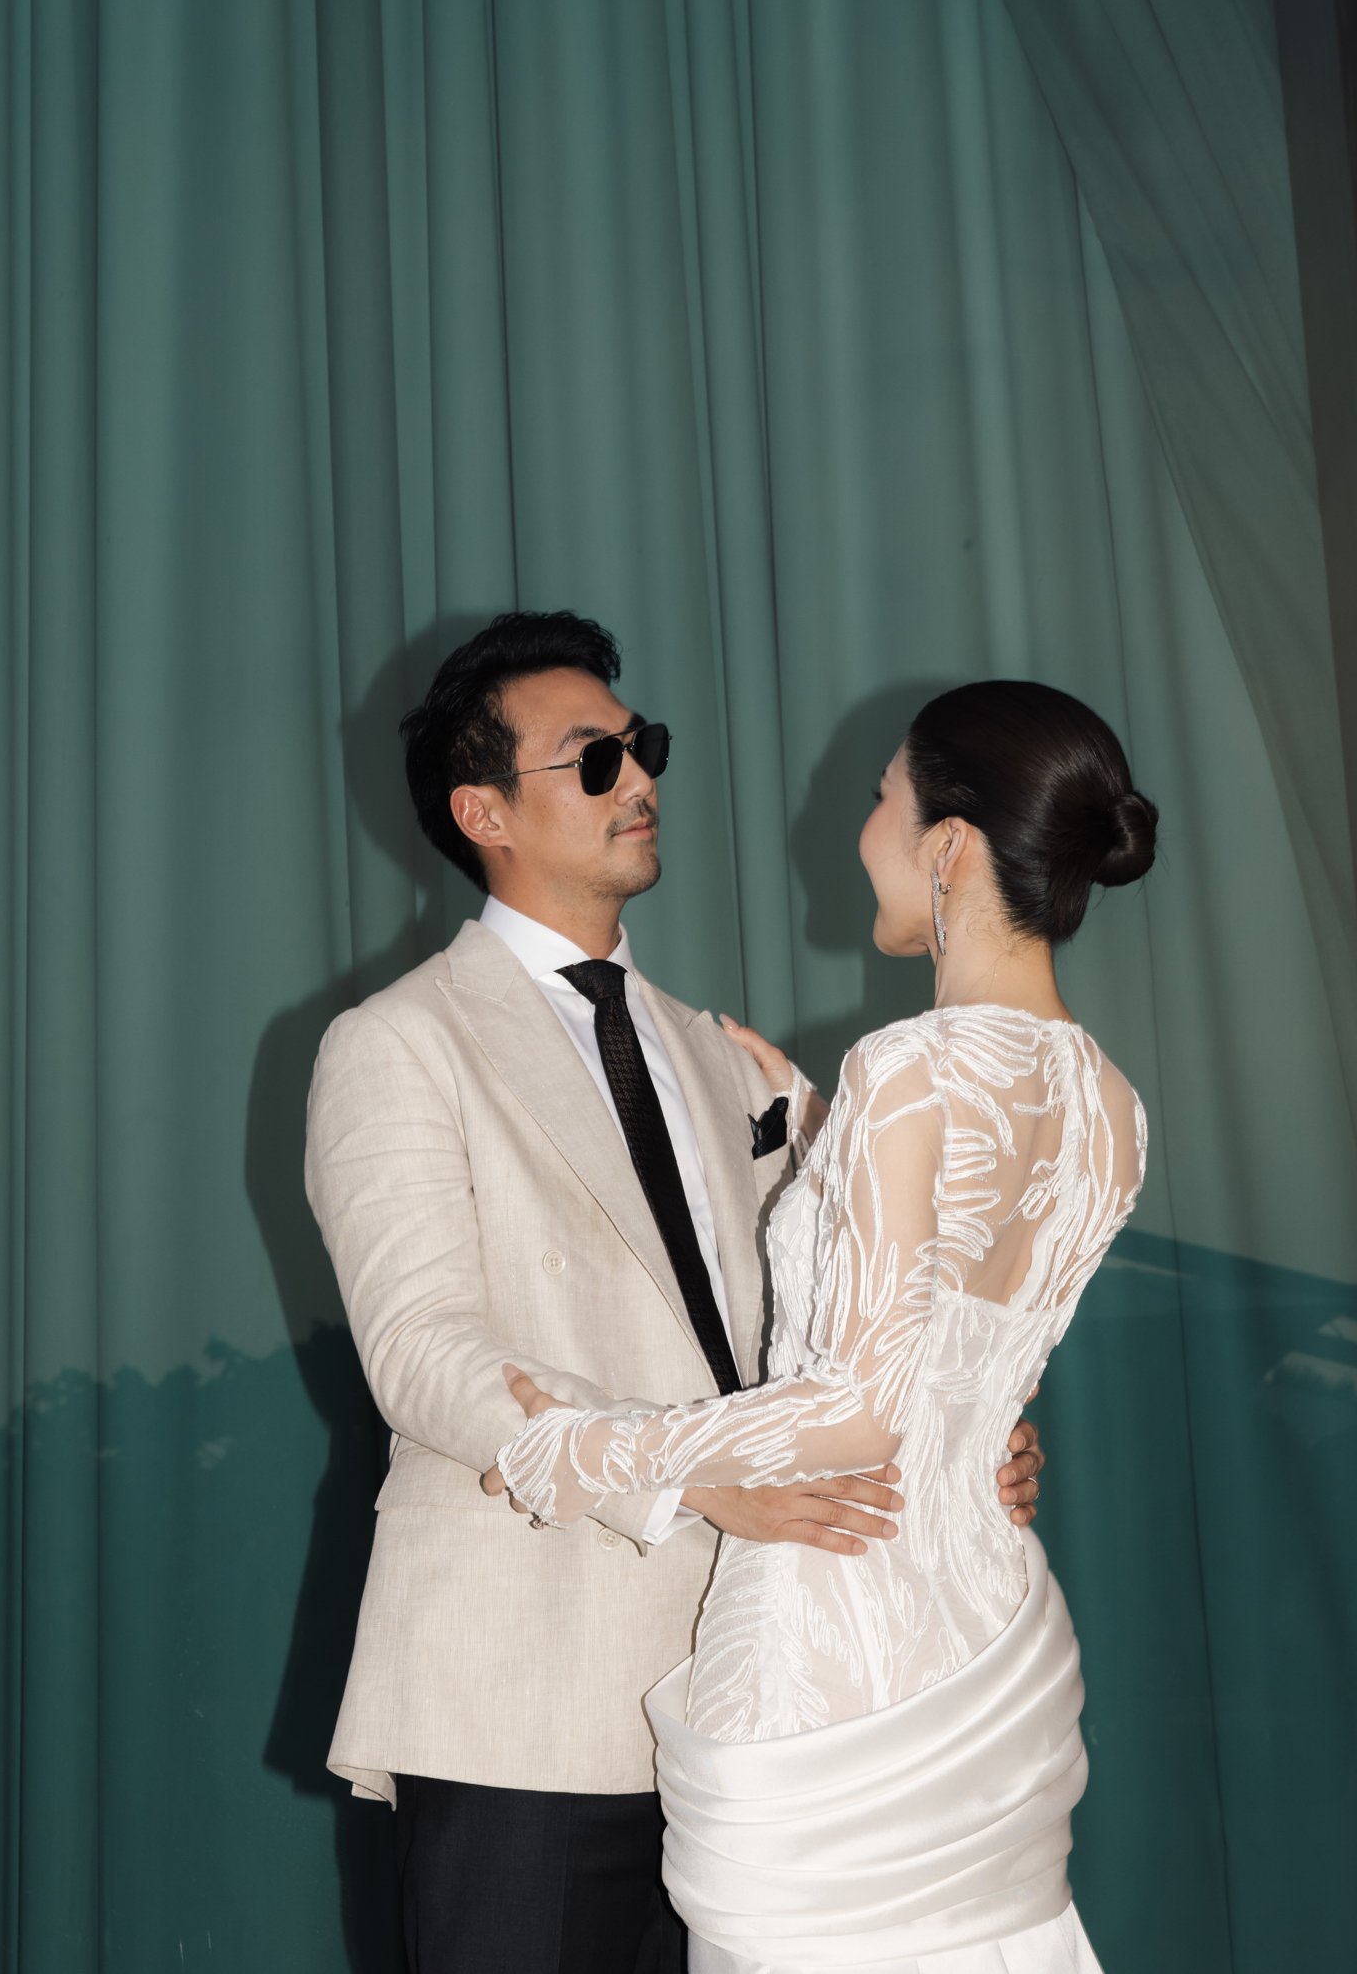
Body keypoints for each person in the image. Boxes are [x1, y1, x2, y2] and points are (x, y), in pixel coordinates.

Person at [304, 614, 1045, 1974]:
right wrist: (695, 1474)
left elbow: (849, 1326)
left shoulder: (720, 1056)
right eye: (593, 759)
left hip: (757, 1696)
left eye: (641, 745)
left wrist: (956, 1435)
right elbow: (423, 1353)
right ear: (483, 813)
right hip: (525, 1693)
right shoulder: (397, 1042)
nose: (640, 777)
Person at [487, 678, 1154, 1974]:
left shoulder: (906, 1071)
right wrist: (819, 1135)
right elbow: (963, 1348)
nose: (859, 834)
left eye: (878, 800)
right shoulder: (1112, 1105)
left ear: (947, 846)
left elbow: (855, 1412)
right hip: (985, 1625)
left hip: (832, 1634)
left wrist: (580, 1448)